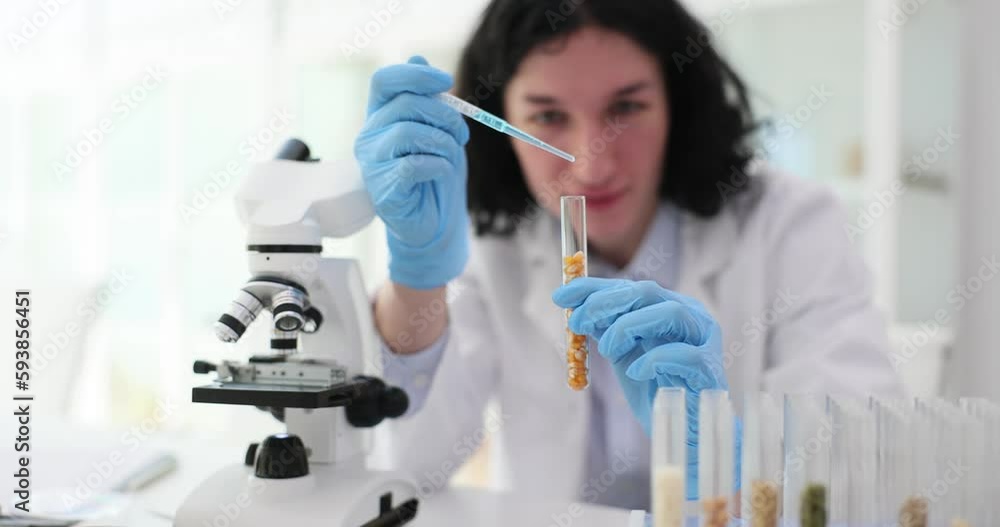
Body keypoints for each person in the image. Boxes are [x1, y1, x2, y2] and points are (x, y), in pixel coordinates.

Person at [354, 0, 900, 510]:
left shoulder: (788, 225)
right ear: (502, 122)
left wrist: (728, 461)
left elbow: (863, 464)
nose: (592, 164)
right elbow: (407, 469)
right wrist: (417, 277)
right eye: (548, 117)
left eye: (626, 107)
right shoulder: (492, 245)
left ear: (676, 105)